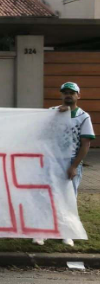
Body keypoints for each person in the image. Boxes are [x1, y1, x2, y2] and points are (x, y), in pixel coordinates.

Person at [33, 82, 95, 247]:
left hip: (70, 163)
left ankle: (66, 232)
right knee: (46, 197)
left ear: (78, 96)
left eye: (72, 93)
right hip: (51, 163)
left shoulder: (83, 116)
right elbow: (41, 134)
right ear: (61, 95)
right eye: (65, 92)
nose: (68, 95)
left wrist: (74, 166)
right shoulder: (52, 112)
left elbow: (86, 144)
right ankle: (42, 232)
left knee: (68, 198)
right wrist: (54, 116)